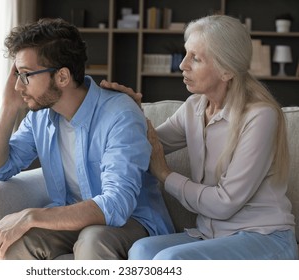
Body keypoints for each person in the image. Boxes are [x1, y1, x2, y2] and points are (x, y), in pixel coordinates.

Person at [101, 14, 298, 260]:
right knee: (141, 249)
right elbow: (146, 146)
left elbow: (224, 203)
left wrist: (165, 174)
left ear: (226, 70)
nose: (182, 65)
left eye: (195, 58)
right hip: (211, 235)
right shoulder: (194, 107)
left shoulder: (260, 116)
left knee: (168, 261)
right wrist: (130, 110)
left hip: (263, 239)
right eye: (186, 54)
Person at [0, 18, 174, 260]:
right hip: (72, 221)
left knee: (93, 239)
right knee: (15, 244)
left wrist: (31, 216)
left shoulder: (120, 115)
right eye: (18, 74)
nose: (19, 85)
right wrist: (8, 108)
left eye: (27, 75)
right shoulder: (40, 117)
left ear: (62, 77)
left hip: (133, 222)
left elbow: (116, 205)